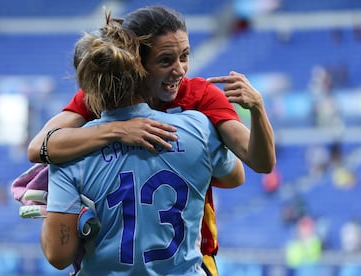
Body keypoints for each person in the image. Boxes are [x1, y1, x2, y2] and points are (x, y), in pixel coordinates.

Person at [24, 5, 275, 275]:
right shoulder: (110, 96)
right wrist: (120, 131)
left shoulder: (200, 96)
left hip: (187, 248)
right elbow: (37, 148)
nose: (180, 70)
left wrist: (257, 109)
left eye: (185, 56)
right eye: (166, 60)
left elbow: (257, 164)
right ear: (137, 63)